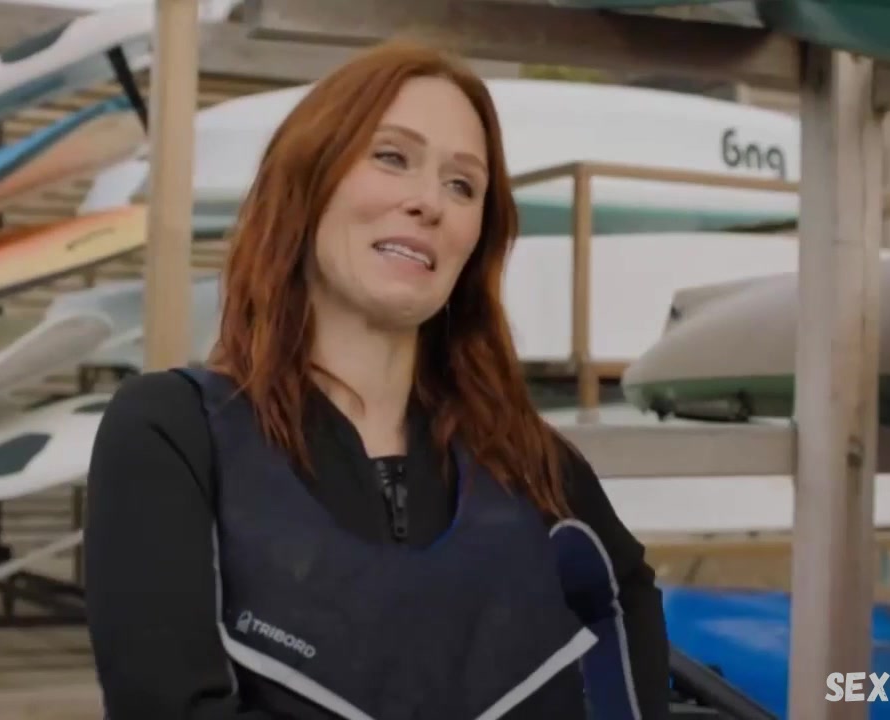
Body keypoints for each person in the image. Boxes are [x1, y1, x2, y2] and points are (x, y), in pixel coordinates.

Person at [84, 39, 671, 720]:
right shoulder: (173, 434)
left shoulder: (530, 463)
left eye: (462, 185)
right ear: (308, 179)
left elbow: (625, 603)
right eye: (392, 157)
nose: (430, 202)